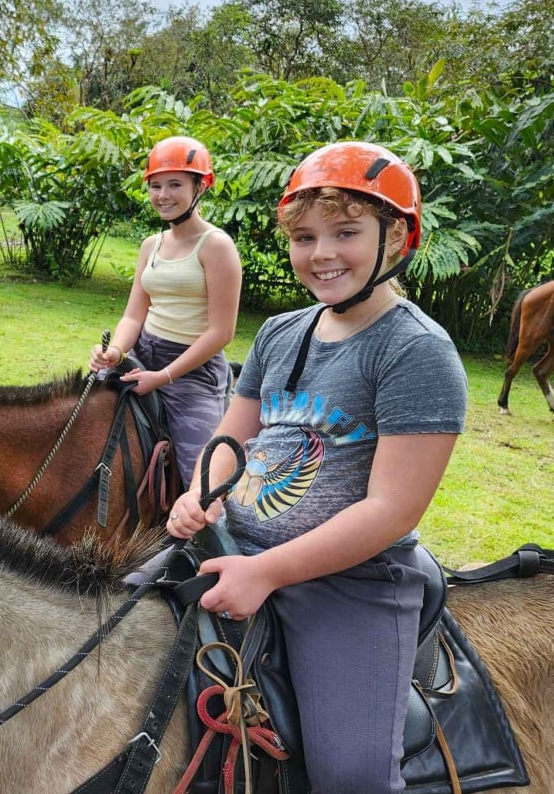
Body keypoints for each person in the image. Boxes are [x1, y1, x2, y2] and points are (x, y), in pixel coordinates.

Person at [167, 141, 467, 794]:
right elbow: (230, 439)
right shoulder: (281, 332)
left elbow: (393, 510)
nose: (321, 252)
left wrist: (266, 571)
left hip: (349, 581)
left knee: (350, 773)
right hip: (230, 547)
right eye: (305, 236)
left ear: (397, 237)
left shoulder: (416, 352)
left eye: (346, 232)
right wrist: (200, 495)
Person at [88, 136, 241, 486]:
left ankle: (208, 536)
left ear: (201, 187)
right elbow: (133, 316)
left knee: (201, 479)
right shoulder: (151, 245)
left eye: (175, 185)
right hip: (142, 353)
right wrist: (115, 351)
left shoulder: (216, 246)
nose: (163, 195)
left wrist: (165, 376)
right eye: (156, 186)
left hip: (192, 371)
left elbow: (221, 331)